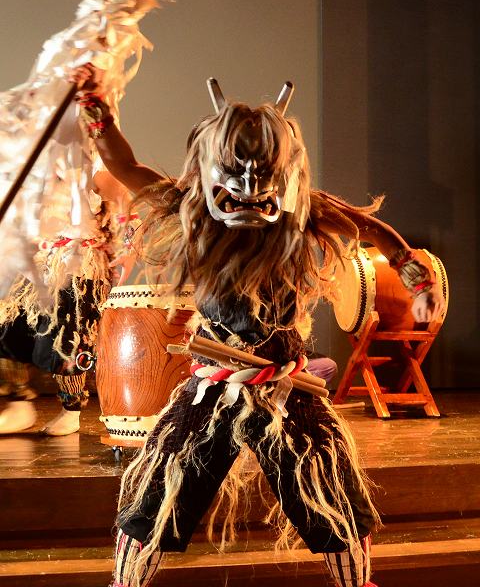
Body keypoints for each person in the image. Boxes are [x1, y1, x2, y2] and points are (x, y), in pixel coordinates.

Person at [72, 66, 443, 587]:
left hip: (285, 387)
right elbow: (125, 166)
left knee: (332, 497)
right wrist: (97, 110)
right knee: (157, 495)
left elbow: (368, 228)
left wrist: (411, 270)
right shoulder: (189, 207)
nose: (248, 186)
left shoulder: (303, 213)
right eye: (234, 171)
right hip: (213, 387)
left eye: (262, 172)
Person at [0, 165, 136, 435]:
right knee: (9, 324)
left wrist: (128, 248)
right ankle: (19, 402)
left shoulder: (89, 164)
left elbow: (124, 201)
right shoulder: (27, 159)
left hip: (75, 262)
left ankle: (71, 409)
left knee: (66, 335)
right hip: (34, 259)